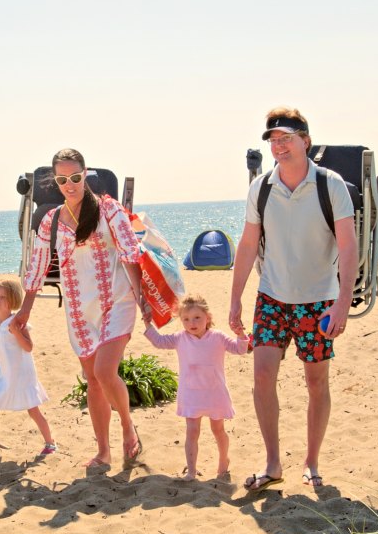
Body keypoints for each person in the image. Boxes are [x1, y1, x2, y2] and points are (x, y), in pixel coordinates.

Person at [229, 107, 357, 491]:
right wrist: (235, 299)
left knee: (316, 383)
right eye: (272, 140)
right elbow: (249, 244)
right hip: (271, 297)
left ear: (305, 140)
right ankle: (272, 462)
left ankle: (312, 462)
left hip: (318, 300)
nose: (279, 146)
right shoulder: (262, 188)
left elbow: (349, 246)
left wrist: (342, 303)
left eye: (286, 138)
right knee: (262, 376)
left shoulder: (330, 185)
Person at [14, 147, 148, 469]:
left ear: (85, 174)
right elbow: (38, 265)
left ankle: (127, 428)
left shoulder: (108, 209)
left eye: (75, 177)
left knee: (104, 371)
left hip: (116, 300)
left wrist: (142, 301)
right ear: (55, 182)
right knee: (92, 378)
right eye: (62, 180)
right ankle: (104, 450)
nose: (69, 185)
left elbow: (130, 255)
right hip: (78, 309)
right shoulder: (51, 220)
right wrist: (25, 310)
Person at [144, 295, 250, 481]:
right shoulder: (180, 338)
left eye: (197, 318)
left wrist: (241, 335)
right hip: (191, 394)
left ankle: (223, 460)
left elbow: (240, 349)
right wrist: (147, 324)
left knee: (218, 430)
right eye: (186, 319)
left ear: (207, 317)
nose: (191, 323)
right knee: (192, 431)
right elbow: (159, 342)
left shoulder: (217, 337)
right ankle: (192, 470)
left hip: (214, 393)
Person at [0, 279, 56, 459]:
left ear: (12, 300)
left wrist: (16, 331)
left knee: (33, 410)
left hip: (23, 376)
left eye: (2, 297)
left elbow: (28, 347)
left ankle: (50, 443)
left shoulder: (17, 322)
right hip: (4, 375)